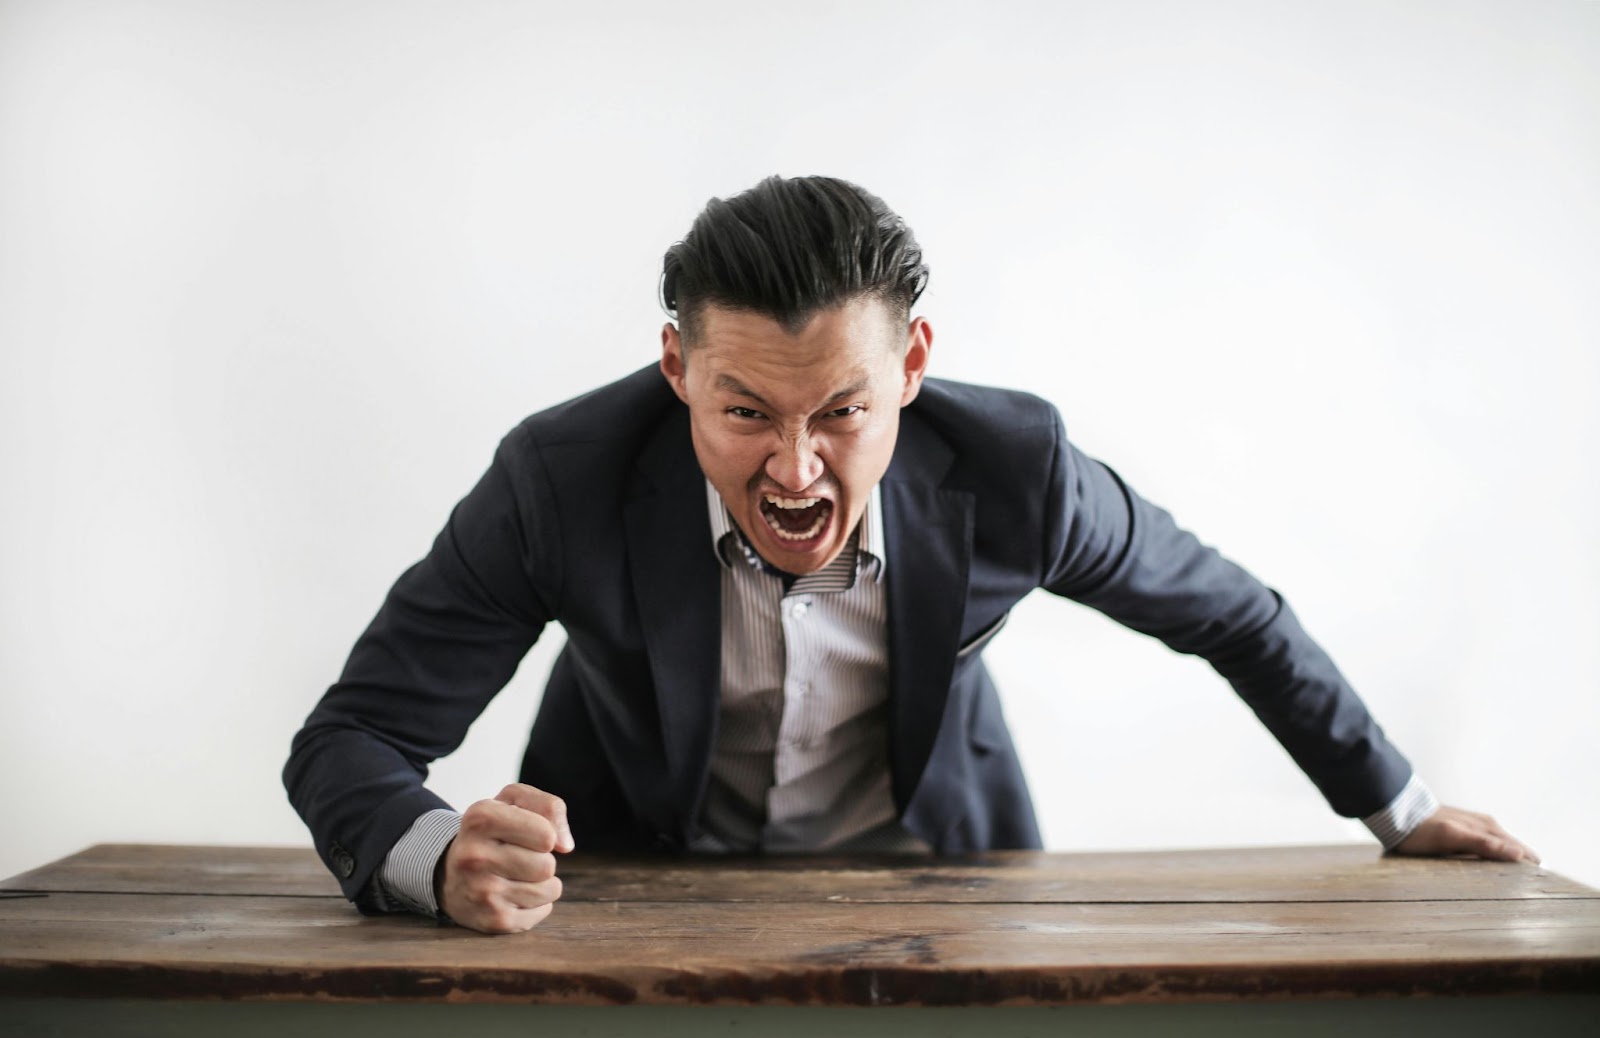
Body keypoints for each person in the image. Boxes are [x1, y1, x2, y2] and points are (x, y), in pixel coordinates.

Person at [284, 175, 1538, 935]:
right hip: (628, 888)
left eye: (841, 410)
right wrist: (436, 856)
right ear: (676, 371)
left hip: (941, 884)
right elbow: (349, 740)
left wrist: (1399, 805)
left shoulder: (1019, 474)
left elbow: (1233, 615)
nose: (793, 470)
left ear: (913, 370)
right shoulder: (559, 481)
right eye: (741, 412)